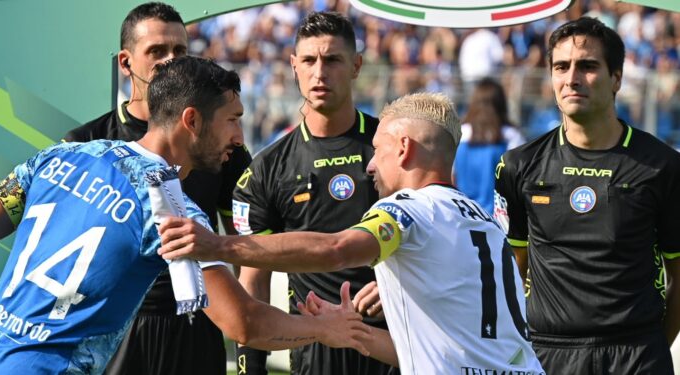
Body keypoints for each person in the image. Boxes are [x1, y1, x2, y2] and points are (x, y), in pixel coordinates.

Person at [0, 56, 370, 375]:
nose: (239, 139)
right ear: (192, 120)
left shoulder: (61, 156)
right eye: (232, 120)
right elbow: (244, 322)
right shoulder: (170, 207)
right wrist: (324, 330)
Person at [156, 92, 545, 375]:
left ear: (404, 148)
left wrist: (218, 245)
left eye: (378, 149)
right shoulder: (482, 221)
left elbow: (337, 248)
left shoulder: (409, 209)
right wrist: (347, 333)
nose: (371, 165)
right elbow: (435, 352)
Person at [63, 3, 251, 374]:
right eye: (157, 51)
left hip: (197, 325)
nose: (170, 61)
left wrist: (243, 330)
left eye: (180, 51)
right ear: (125, 62)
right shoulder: (86, 142)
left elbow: (245, 243)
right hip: (113, 328)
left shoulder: (219, 144)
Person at [493, 17, 680, 374]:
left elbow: (679, 275)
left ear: (617, 79)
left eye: (588, 66)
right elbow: (512, 269)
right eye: (561, 67)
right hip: (549, 354)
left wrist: (653, 347)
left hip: (637, 354)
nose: (572, 78)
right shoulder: (518, 165)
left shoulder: (663, 166)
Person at [231, 11, 396, 375]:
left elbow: (434, 236)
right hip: (315, 350)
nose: (319, 72)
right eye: (309, 60)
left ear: (356, 66)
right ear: (293, 66)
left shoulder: (395, 148)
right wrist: (249, 368)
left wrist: (399, 288)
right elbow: (254, 279)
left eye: (332, 59)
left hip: (396, 340)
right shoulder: (266, 169)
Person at [454, 77, 525, 214]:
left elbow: (452, 178)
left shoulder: (459, 134)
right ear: (501, 104)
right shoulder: (511, 136)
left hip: (463, 216)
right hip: (499, 220)